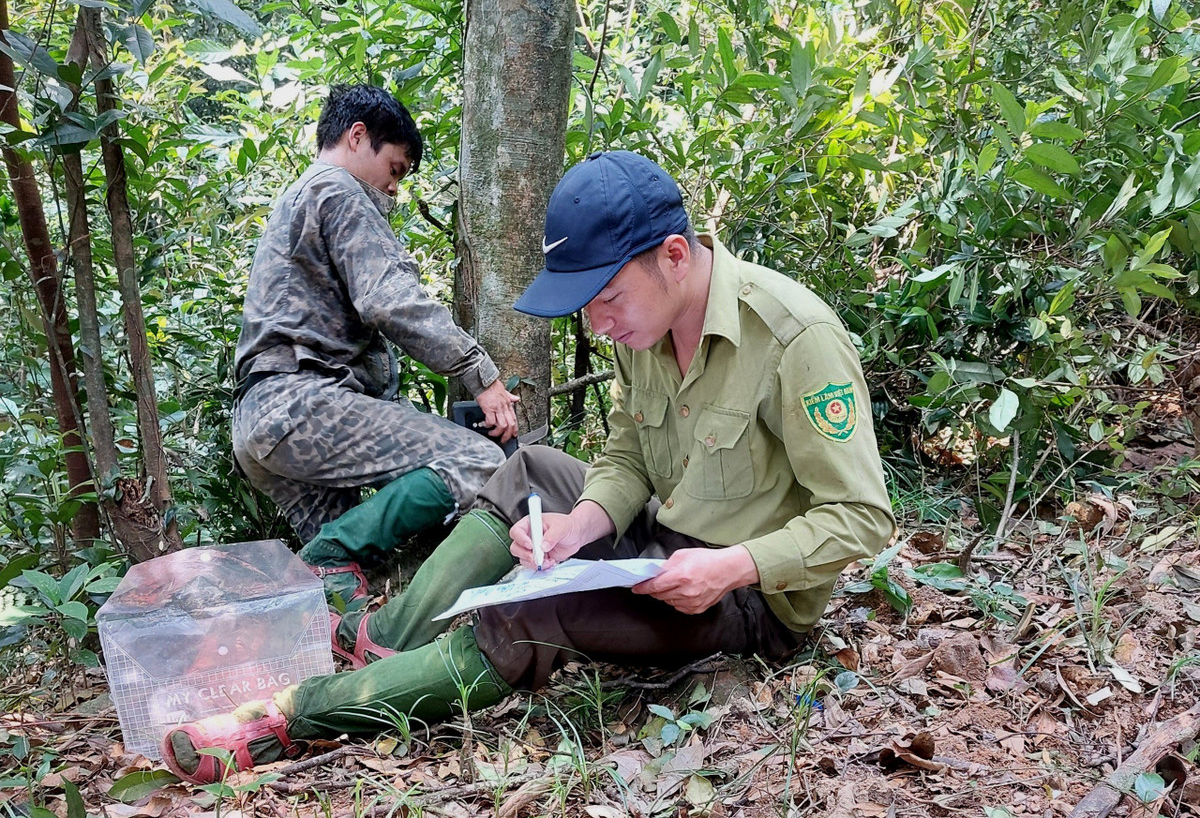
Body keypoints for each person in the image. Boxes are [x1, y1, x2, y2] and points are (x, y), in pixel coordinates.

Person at [163, 150, 894, 782]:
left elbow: (861, 519)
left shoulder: (794, 339)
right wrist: (582, 524)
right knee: (529, 469)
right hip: (665, 544)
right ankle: (387, 642)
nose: (598, 325)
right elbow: (630, 453)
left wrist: (731, 567)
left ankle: (293, 717)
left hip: (747, 598)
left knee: (536, 606)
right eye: (587, 307)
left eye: (607, 298)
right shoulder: (642, 327)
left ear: (674, 255)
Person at [232, 84, 518, 602]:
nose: (393, 189)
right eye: (395, 169)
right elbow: (390, 299)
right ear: (358, 136)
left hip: (260, 419)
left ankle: (340, 648)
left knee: (353, 579)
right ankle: (315, 566)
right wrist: (481, 374)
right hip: (302, 405)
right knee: (479, 463)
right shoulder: (336, 190)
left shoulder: (298, 196)